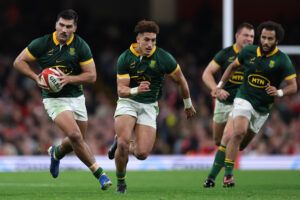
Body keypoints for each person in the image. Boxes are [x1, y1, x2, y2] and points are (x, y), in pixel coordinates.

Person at [13, 9, 112, 190]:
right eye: (61, 25)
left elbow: (92, 76)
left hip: (76, 97)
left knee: (77, 139)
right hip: (54, 99)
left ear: (74, 28)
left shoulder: (81, 46)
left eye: (69, 26)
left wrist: (69, 79)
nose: (64, 30)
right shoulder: (42, 43)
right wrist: (36, 78)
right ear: (56, 25)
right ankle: (100, 174)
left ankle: (56, 152)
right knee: (75, 135)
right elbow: (18, 62)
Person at [108, 20, 196, 193]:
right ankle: (121, 182)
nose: (150, 44)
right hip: (128, 102)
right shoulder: (125, 58)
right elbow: (121, 90)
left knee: (142, 154)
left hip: (149, 106)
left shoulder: (164, 58)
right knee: (125, 143)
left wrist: (188, 104)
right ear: (138, 39)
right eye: (146, 40)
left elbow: (181, 80)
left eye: (153, 40)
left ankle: (119, 142)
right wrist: (136, 89)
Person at [215, 21, 297, 187]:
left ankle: (224, 159)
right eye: (263, 37)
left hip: (262, 108)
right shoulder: (249, 51)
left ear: (276, 40)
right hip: (244, 97)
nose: (265, 41)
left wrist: (279, 92)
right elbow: (232, 67)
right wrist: (219, 86)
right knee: (238, 132)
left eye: (270, 39)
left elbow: (293, 86)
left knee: (241, 143)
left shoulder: (282, 60)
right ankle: (227, 176)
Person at [202, 23, 255, 187]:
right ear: (237, 36)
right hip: (222, 102)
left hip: (242, 103)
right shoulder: (225, 54)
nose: (249, 39)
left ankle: (222, 177)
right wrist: (216, 90)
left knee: (229, 136)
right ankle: (225, 168)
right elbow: (207, 73)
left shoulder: (255, 56)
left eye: (252, 36)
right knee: (219, 141)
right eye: (246, 35)